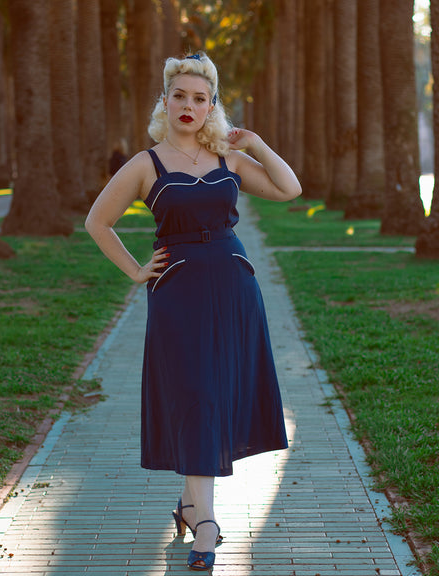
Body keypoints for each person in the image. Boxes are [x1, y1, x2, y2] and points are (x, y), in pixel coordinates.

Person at [85, 52, 302, 571]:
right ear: (164, 101)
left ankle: (189, 505)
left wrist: (255, 144)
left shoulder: (228, 160)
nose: (188, 105)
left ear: (211, 106)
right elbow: (98, 222)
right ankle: (206, 522)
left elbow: (289, 188)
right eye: (179, 95)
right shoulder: (146, 165)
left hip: (234, 288)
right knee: (196, 398)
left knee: (215, 398)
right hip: (178, 294)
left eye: (199, 98)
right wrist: (136, 270)